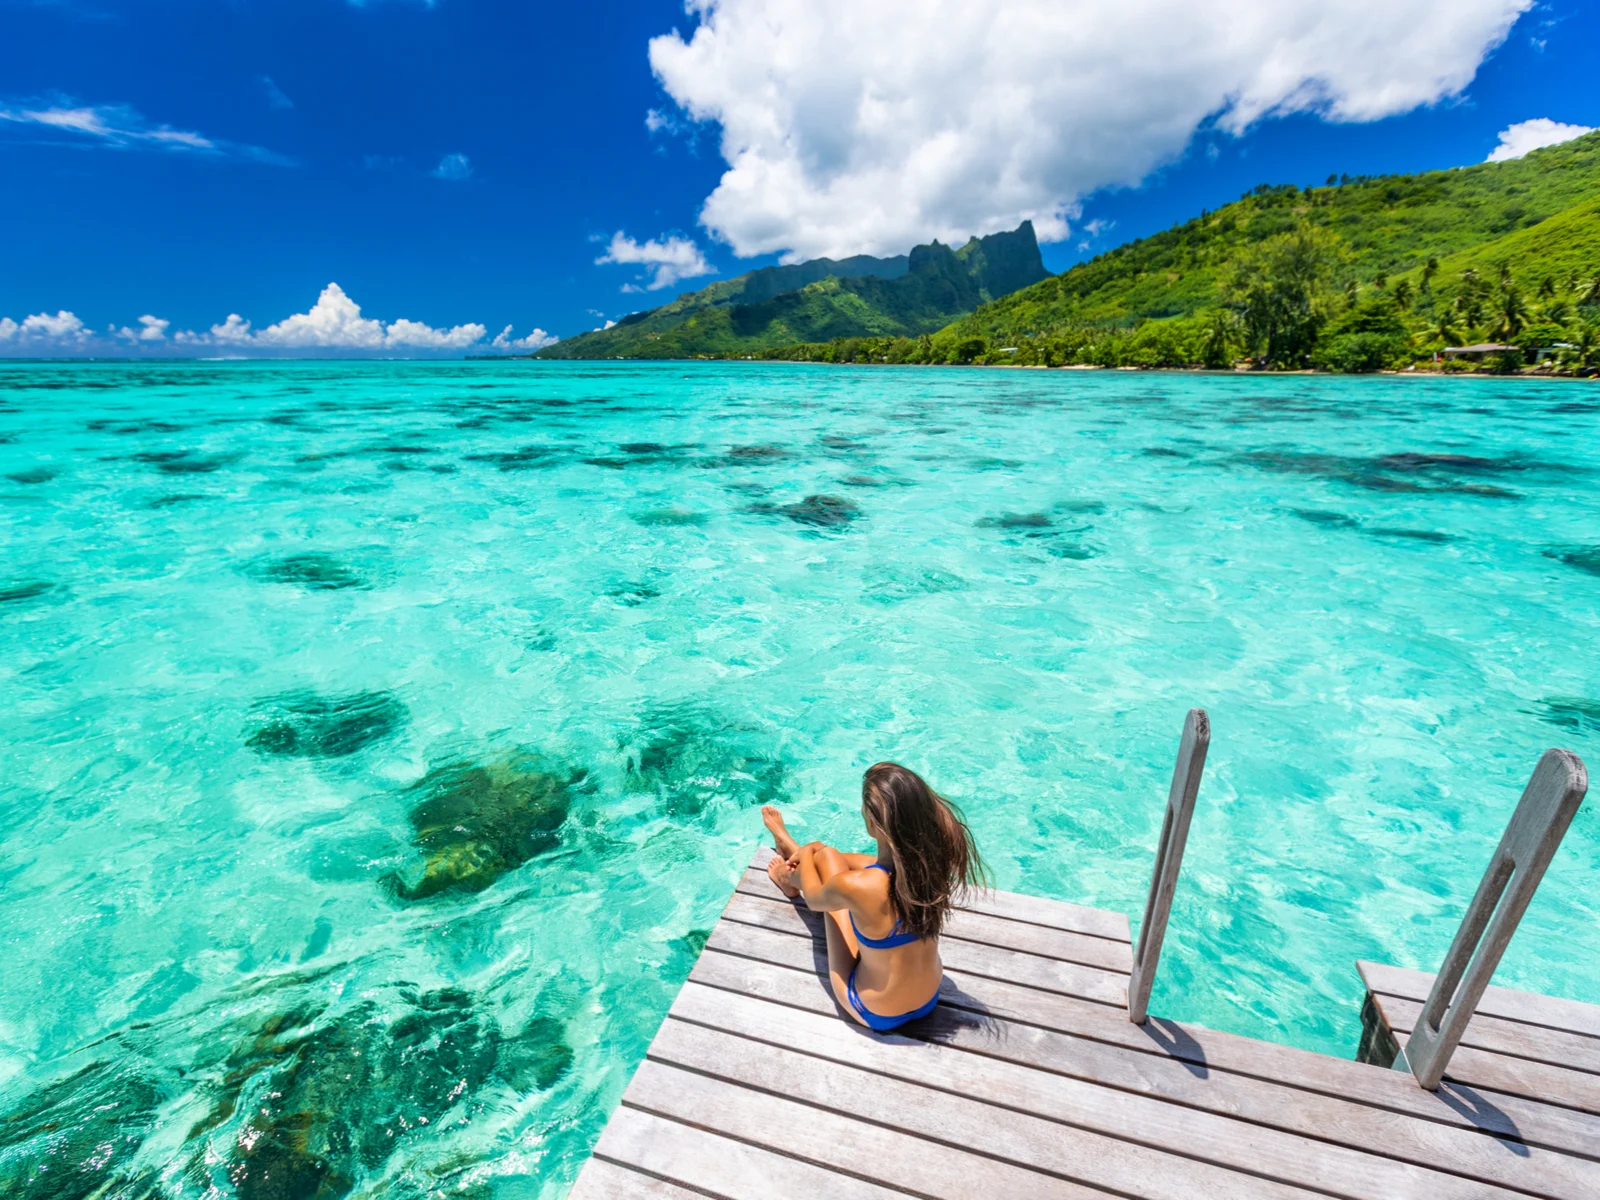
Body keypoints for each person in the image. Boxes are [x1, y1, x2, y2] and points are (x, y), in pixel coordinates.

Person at [762, 762, 985, 1032]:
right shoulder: (931, 868)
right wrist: (822, 853)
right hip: (929, 999)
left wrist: (809, 850)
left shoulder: (859, 887)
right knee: (831, 858)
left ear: (871, 822)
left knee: (833, 904)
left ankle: (786, 877)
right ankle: (791, 849)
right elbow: (856, 865)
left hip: (875, 1011)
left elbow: (814, 900)